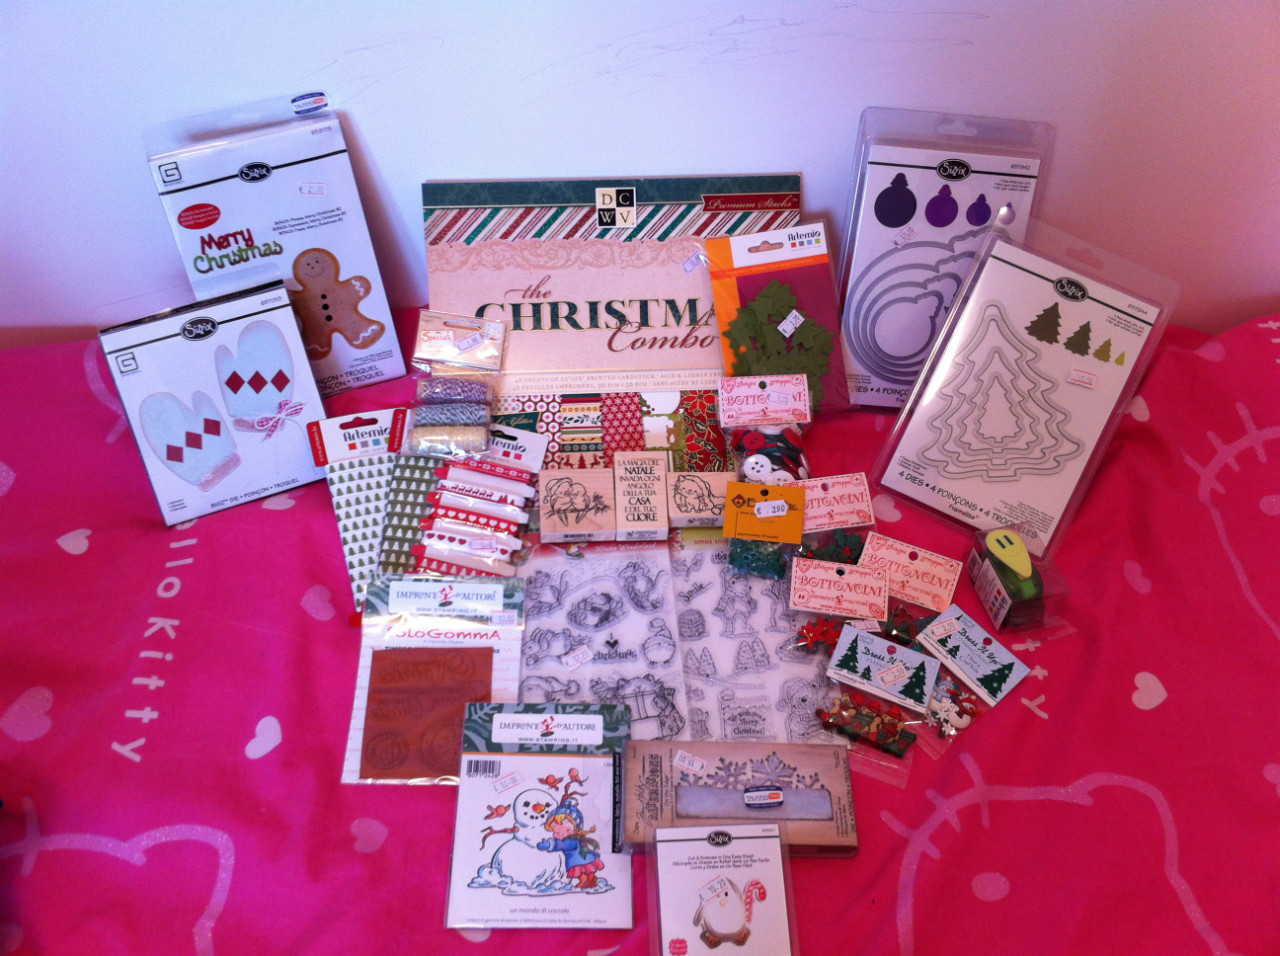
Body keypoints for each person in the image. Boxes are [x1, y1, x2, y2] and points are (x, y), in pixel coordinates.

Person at [536, 798, 604, 889]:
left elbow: (561, 844)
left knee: (582, 873)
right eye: (556, 832)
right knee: (588, 871)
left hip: (578, 861)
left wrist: (549, 845)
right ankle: (591, 879)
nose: (559, 834)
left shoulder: (570, 840)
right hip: (586, 857)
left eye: (567, 830)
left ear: (575, 829)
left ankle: (585, 881)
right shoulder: (577, 838)